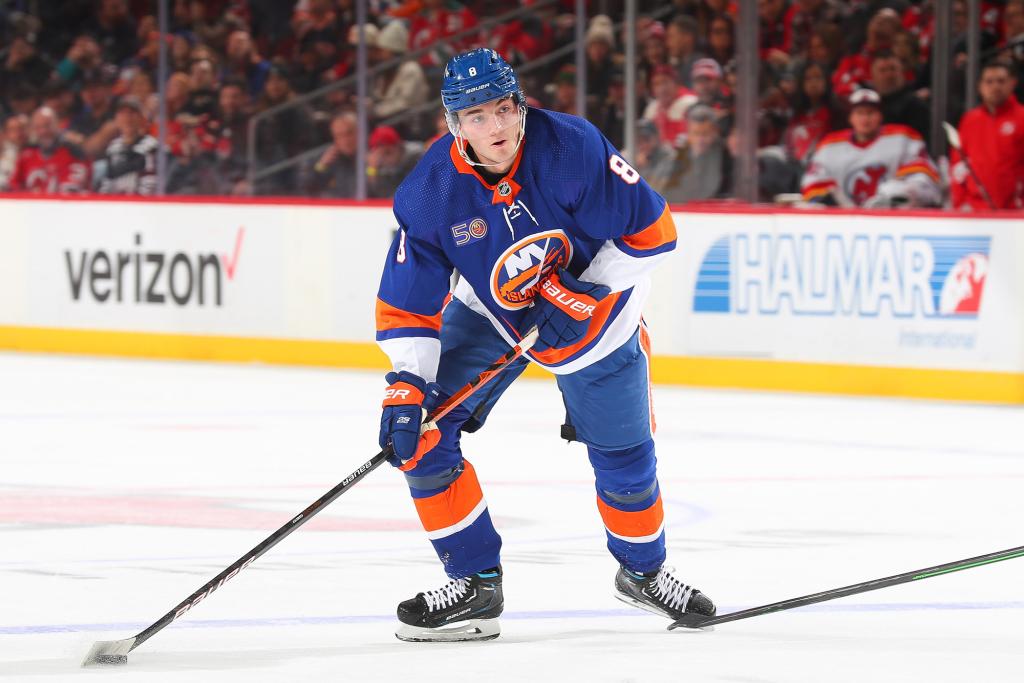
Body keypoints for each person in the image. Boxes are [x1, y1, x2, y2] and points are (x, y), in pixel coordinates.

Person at [374, 48, 715, 643]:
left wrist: (586, 294)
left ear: (520, 104)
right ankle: (475, 586)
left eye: (505, 109)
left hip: (601, 320)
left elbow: (654, 233)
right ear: (455, 123)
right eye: (478, 116)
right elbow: (409, 302)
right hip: (493, 314)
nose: (497, 128)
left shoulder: (571, 147)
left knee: (626, 462)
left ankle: (644, 572)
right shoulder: (429, 193)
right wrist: (407, 382)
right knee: (420, 433)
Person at [800, 88, 941, 208]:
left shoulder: (904, 138)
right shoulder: (829, 146)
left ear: (880, 116)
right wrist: (829, 201)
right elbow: (813, 183)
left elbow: (925, 182)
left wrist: (898, 192)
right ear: (850, 118)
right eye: (860, 113)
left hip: (893, 220)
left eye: (871, 112)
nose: (865, 118)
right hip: (844, 222)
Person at [950, 61, 1024, 210]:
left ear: (1012, 83)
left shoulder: (1022, 117)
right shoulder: (969, 120)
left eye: (1001, 81)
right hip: (975, 210)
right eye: (989, 82)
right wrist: (960, 202)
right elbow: (958, 163)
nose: (995, 86)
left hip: (1015, 211)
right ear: (980, 87)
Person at [9, 106, 90, 194]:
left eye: (47, 125)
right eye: (38, 127)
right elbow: (13, 187)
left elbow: (72, 190)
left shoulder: (74, 153)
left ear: (58, 125)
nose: (43, 131)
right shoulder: (26, 155)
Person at [94, 97, 159, 195]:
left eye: (132, 113)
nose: (127, 118)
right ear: (116, 119)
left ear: (141, 118)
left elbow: (150, 181)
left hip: (139, 203)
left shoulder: (151, 145)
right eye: (122, 113)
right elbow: (107, 181)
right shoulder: (113, 147)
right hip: (116, 203)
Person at [307, 111, 358, 197]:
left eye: (349, 133)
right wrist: (321, 166)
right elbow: (308, 191)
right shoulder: (326, 161)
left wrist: (372, 169)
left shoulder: (371, 156)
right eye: (339, 135)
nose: (346, 140)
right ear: (334, 139)